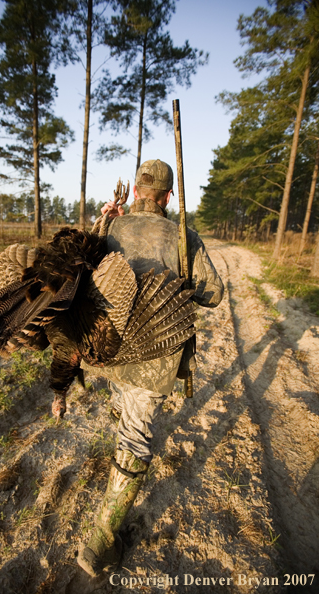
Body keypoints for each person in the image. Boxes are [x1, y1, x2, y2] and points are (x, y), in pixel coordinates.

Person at [77, 159, 224, 577]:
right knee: (135, 435)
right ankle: (101, 541)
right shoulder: (183, 236)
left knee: (123, 405)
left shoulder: (112, 228)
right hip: (155, 356)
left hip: (108, 349)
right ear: (169, 195)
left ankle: (112, 496)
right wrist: (181, 275)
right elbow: (213, 293)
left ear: (138, 190)